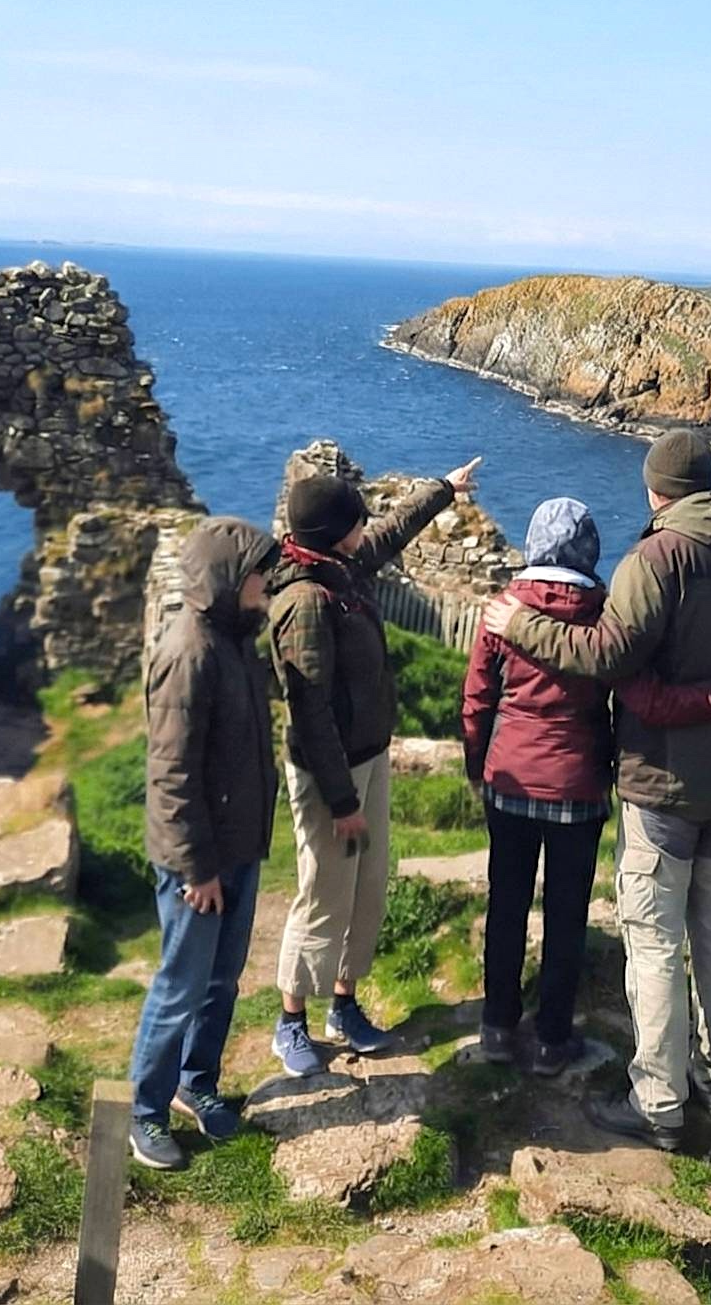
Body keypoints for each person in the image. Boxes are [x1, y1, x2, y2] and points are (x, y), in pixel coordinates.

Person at [482, 430, 711, 1151]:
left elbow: (607, 655)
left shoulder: (656, 558)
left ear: (656, 489)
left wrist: (520, 624)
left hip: (661, 782)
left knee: (652, 940)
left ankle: (658, 1101)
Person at [463, 495, 711, 1077]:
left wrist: (478, 768)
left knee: (507, 903)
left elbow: (477, 701)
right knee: (567, 912)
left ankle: (497, 1027)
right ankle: (553, 1040)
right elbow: (648, 701)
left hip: (510, 782)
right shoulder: (606, 617)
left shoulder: (503, 611)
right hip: (579, 786)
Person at [270, 454, 484, 1077]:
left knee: (367, 889)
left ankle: (344, 1005)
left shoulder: (340, 568)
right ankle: (291, 1021)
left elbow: (390, 532)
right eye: (355, 521)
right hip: (328, 776)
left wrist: (444, 489)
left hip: (369, 756)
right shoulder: (306, 600)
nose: (365, 527)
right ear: (333, 532)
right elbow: (311, 714)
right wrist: (342, 802)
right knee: (323, 894)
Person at [125, 516, 280, 1171]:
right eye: (260, 574)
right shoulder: (189, 653)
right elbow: (171, 775)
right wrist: (197, 869)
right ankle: (144, 1113)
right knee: (181, 986)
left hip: (237, 844)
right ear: (229, 579)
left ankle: (196, 1083)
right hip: (200, 859)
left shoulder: (234, 640)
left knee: (221, 980)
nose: (268, 583)